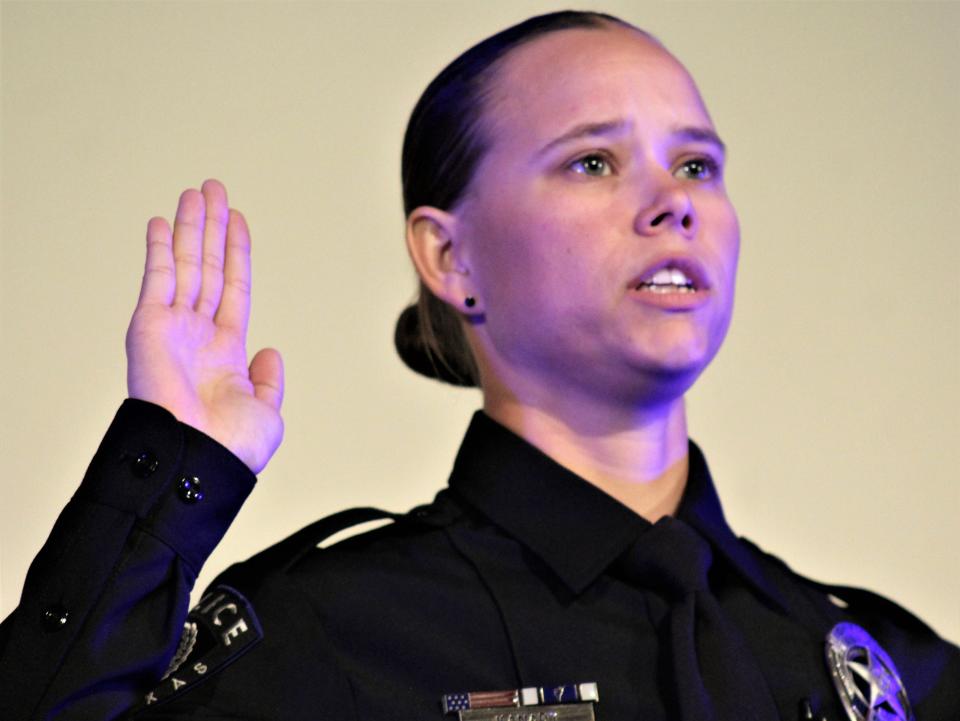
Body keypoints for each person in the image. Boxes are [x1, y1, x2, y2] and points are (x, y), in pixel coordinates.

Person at [0, 10, 956, 721]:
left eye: (698, 165)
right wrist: (175, 477)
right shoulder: (335, 633)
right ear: (450, 257)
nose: (675, 203)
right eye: (593, 162)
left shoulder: (888, 666)